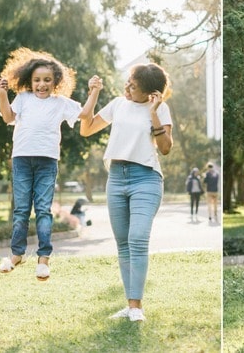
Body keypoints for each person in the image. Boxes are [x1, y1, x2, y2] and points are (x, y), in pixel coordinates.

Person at [0, 48, 100, 280]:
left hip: (47, 162)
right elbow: (8, 117)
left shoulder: (60, 103)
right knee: (21, 210)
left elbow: (84, 114)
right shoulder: (23, 98)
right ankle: (16, 255)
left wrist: (94, 91)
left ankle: (44, 260)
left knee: (43, 209)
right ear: (29, 81)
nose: (41, 85)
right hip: (22, 159)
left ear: (56, 82)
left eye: (47, 80)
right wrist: (2, 94)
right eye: (37, 80)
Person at [80, 63, 173, 323]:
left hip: (146, 178)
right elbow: (85, 129)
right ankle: (131, 305)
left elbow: (165, 148)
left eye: (134, 86)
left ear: (151, 93)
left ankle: (136, 307)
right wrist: (94, 93)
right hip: (116, 178)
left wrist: (153, 113)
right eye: (128, 83)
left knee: (138, 238)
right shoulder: (118, 104)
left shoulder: (161, 108)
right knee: (123, 245)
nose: (127, 88)